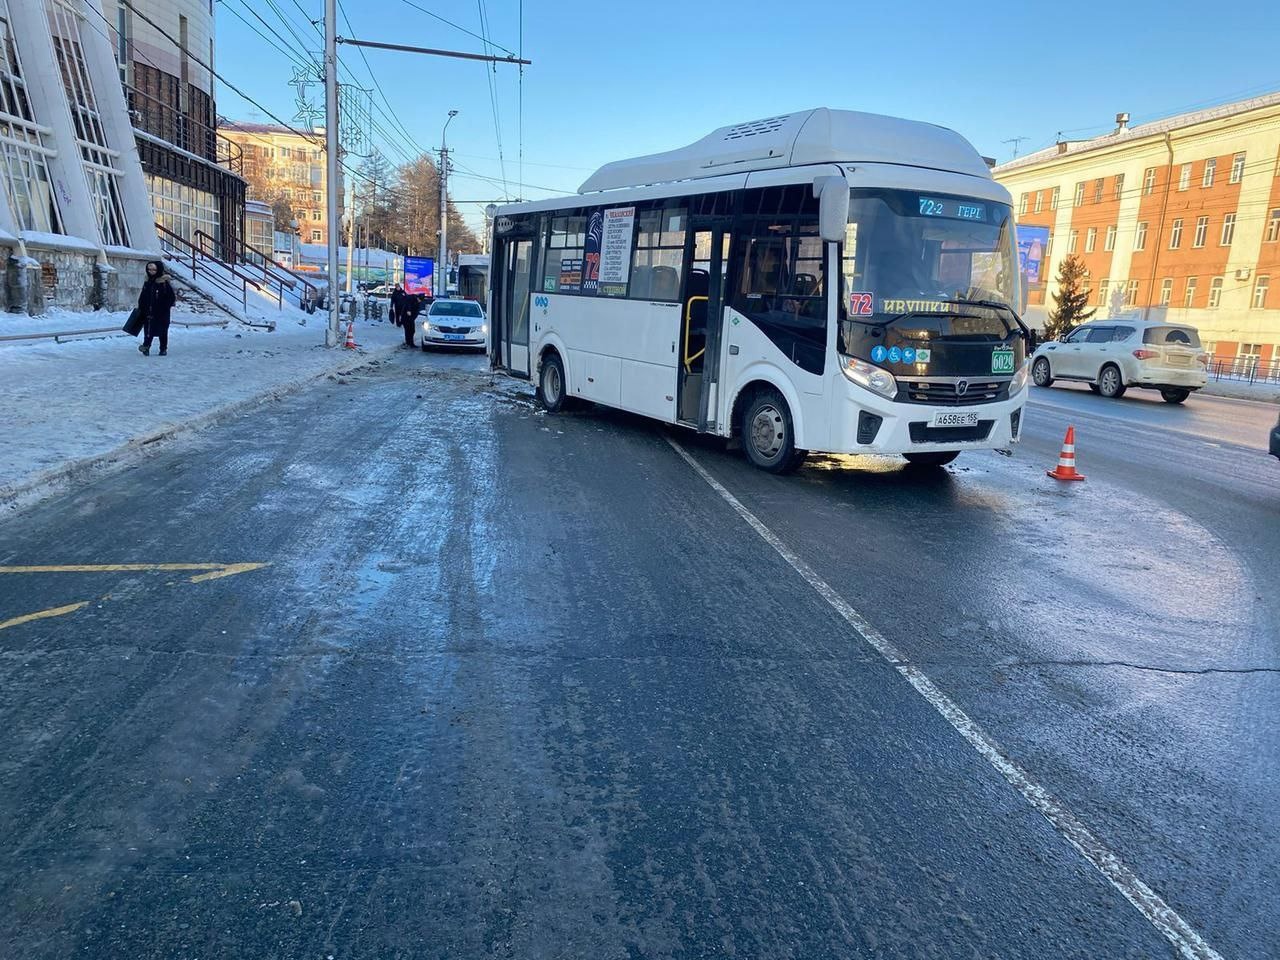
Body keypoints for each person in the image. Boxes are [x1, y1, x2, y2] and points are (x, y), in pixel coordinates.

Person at [137, 260, 177, 357]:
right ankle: (146, 346)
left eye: (154, 270)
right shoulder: (147, 282)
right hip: (148, 311)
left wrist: (164, 307)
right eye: (149, 269)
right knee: (148, 330)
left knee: (162, 331)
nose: (151, 271)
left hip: (161, 313)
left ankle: (163, 348)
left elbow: (171, 298)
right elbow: (143, 296)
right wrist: (141, 307)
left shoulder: (163, 283)